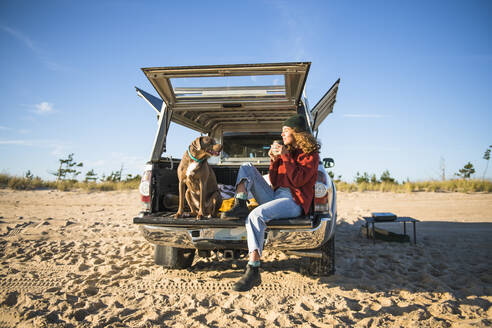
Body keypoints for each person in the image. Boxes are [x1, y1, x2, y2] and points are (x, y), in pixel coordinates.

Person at [221, 114, 320, 292]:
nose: (282, 135)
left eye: (285, 131)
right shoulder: (286, 152)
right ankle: (240, 204)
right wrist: (274, 161)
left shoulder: (310, 155)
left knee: (256, 216)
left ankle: (253, 269)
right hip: (275, 195)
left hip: (294, 200)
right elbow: (274, 181)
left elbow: (297, 181)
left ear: (297, 133)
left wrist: (285, 157)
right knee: (247, 167)